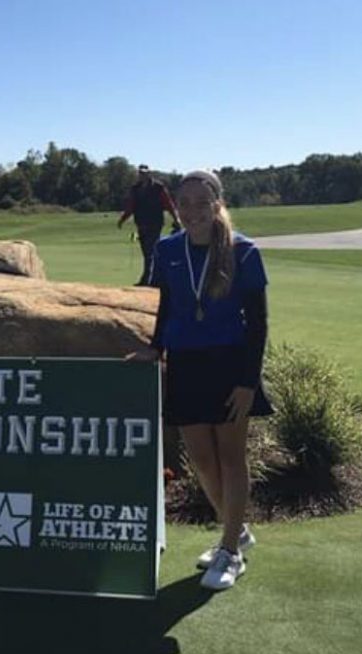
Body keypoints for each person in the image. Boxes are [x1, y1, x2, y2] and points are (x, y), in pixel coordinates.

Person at [127, 169, 273, 591]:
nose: (192, 211)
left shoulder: (244, 252)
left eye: (200, 202)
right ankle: (236, 529)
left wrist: (249, 381)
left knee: (230, 457)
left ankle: (229, 551)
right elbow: (167, 307)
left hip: (230, 365)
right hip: (186, 363)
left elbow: (259, 323)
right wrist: (156, 348)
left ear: (217, 202)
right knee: (201, 461)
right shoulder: (169, 249)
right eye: (184, 203)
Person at [117, 165, 181, 286]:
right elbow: (131, 206)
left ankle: (147, 280)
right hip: (141, 224)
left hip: (155, 223)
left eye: (145, 173)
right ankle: (153, 278)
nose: (142, 175)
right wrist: (123, 219)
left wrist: (176, 218)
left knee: (149, 251)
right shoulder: (135, 189)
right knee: (147, 252)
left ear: (149, 174)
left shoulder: (158, 187)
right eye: (141, 173)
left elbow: (168, 204)